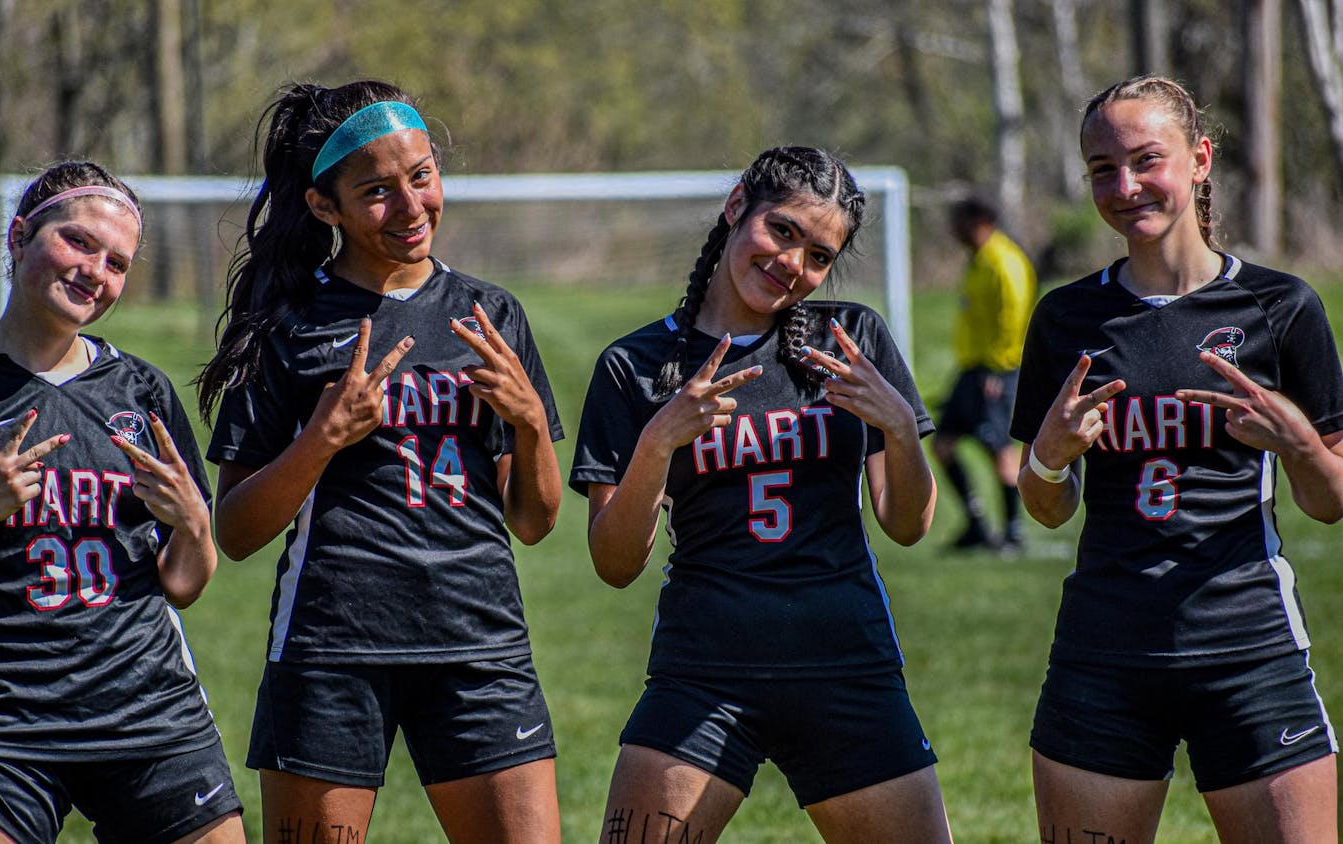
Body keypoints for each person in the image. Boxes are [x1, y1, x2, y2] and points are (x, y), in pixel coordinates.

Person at [196, 80, 563, 843]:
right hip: (333, 648)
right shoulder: (290, 326)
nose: (410, 207)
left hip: (480, 644)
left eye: (421, 176)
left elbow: (533, 520)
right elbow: (233, 531)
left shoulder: (491, 315)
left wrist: (528, 422)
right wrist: (321, 440)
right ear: (325, 207)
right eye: (376, 192)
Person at [0, 161, 244, 843]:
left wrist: (193, 524)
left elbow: (184, 583)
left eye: (116, 263)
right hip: (1, 722)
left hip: (150, 716)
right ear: (20, 235)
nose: (97, 272)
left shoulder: (142, 394)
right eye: (80, 243)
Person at [571, 146, 951, 842]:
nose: (792, 264)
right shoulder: (636, 365)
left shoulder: (849, 340)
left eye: (818, 254)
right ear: (737, 205)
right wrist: (658, 442)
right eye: (783, 231)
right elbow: (614, 561)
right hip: (704, 674)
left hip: (847, 664)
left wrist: (898, 426)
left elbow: (907, 523)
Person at [1013, 75, 1341, 843]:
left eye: (1145, 161)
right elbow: (1045, 502)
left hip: (1249, 647)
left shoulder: (1280, 307)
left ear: (1198, 160)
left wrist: (1294, 441)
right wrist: (1052, 460)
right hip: (1104, 650)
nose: (1124, 187)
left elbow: (1330, 500)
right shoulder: (1067, 319)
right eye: (1102, 169)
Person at [932, 195, 1036, 551]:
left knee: (999, 449)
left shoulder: (1003, 261)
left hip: (995, 370)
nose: (953, 231)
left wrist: (999, 368)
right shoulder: (977, 260)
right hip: (971, 369)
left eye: (958, 223)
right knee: (943, 444)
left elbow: (1014, 319)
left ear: (978, 222)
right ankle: (976, 524)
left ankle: (1013, 533)